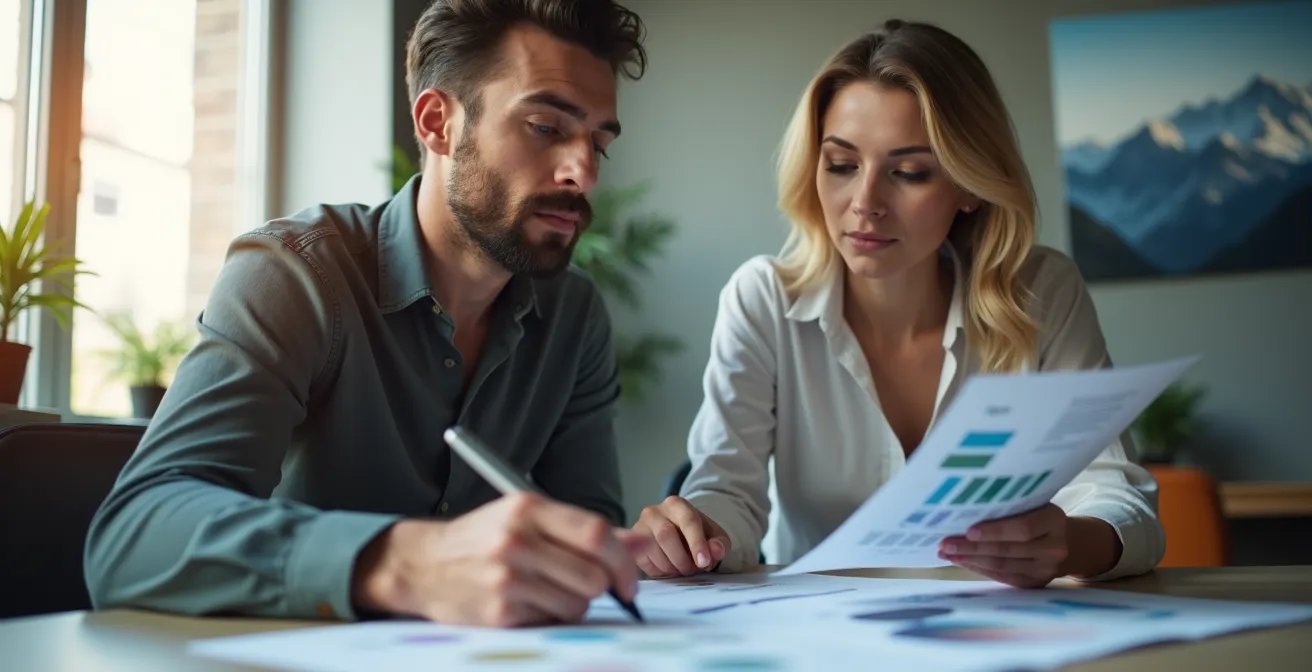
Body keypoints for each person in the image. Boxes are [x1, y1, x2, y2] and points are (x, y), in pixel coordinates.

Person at [85, 0, 653, 628]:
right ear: (438, 123)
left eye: (599, 141)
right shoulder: (296, 275)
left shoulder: (575, 319)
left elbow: (585, 537)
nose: (585, 172)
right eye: (546, 127)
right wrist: (407, 563)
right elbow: (131, 537)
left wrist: (635, 551)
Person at [630, 19, 1165, 588]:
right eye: (840, 165)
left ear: (969, 186)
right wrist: (690, 534)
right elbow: (727, 492)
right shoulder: (762, 299)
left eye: (908, 172)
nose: (865, 203)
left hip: (998, 636)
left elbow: (1121, 502)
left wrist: (1071, 544)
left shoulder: (1040, 291)